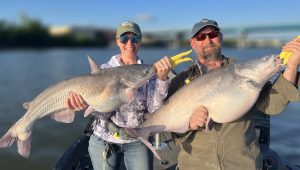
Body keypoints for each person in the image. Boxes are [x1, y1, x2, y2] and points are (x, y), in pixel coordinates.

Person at [167, 18, 300, 170]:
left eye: (213, 34)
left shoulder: (245, 72)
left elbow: (273, 105)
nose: (208, 40)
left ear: (221, 38)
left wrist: (292, 66)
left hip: (243, 164)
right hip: (195, 165)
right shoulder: (180, 81)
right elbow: (174, 134)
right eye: (201, 37)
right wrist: (189, 125)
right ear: (193, 43)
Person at [66, 21, 171, 170]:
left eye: (134, 38)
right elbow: (101, 115)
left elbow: (154, 110)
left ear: (140, 41)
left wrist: (162, 80)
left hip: (138, 140)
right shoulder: (104, 70)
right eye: (124, 39)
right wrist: (88, 104)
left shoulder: (148, 72)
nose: (130, 43)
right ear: (117, 41)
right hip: (105, 138)